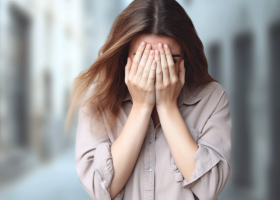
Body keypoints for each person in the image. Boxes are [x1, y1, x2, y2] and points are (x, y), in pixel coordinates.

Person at [66, 0, 232, 199]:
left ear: (185, 59)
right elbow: (101, 189)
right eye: (143, 58)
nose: (155, 70)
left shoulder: (211, 98)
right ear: (124, 57)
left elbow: (209, 188)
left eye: (167, 59)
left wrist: (167, 107)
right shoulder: (98, 98)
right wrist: (142, 106)